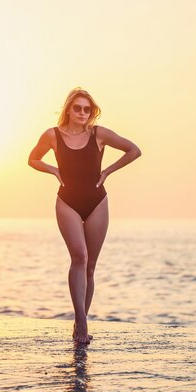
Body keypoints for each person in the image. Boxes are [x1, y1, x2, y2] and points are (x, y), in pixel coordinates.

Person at [28, 87, 141, 344]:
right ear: (68, 109)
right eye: (77, 108)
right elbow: (32, 159)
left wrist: (109, 170)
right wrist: (52, 169)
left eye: (87, 109)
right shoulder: (52, 135)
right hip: (67, 201)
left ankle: (81, 320)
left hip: (97, 202)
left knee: (90, 265)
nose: (82, 113)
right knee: (79, 256)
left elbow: (134, 150)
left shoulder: (98, 134)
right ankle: (82, 323)